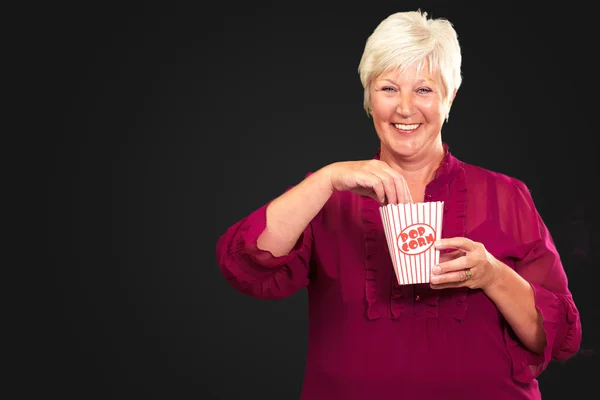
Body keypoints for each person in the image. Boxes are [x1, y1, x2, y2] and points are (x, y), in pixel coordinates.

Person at [215, 10, 582, 400]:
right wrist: (325, 178)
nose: (405, 108)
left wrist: (492, 276)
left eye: (423, 90)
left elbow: (558, 338)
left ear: (450, 96)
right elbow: (245, 267)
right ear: (368, 97)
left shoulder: (507, 195)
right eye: (388, 88)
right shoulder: (329, 196)